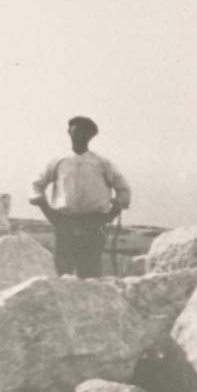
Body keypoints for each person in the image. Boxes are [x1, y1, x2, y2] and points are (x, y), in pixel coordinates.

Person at [30, 116, 132, 278]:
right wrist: (48, 211)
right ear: (69, 133)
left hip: (94, 223)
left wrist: (110, 215)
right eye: (76, 131)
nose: (80, 136)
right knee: (62, 272)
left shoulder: (102, 163)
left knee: (90, 272)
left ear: (91, 136)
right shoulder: (58, 161)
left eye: (86, 133)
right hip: (64, 222)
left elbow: (123, 189)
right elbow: (36, 185)